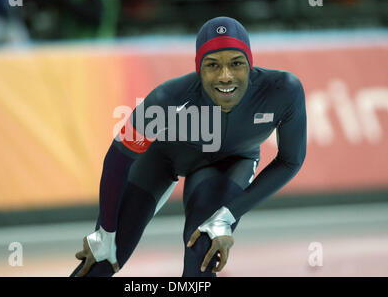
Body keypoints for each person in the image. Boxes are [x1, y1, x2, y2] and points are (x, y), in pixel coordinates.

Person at [70, 16, 307, 277]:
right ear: (198, 68)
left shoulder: (283, 90)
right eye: (212, 65)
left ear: (250, 65)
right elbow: (118, 159)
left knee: (202, 247)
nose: (225, 76)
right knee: (101, 262)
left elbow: (290, 161)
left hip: (229, 164)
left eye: (236, 64)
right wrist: (105, 231)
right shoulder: (167, 98)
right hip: (163, 158)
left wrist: (229, 215)